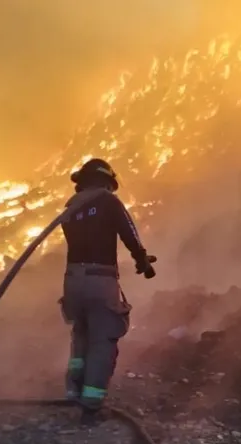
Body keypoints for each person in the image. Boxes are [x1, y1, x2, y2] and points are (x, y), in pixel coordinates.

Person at [59, 158, 156, 425]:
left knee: (81, 334)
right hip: (99, 280)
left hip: (72, 281)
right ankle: (91, 406)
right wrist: (142, 260)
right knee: (102, 339)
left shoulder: (71, 208)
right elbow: (129, 233)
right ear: (105, 181)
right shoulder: (108, 201)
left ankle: (73, 391)